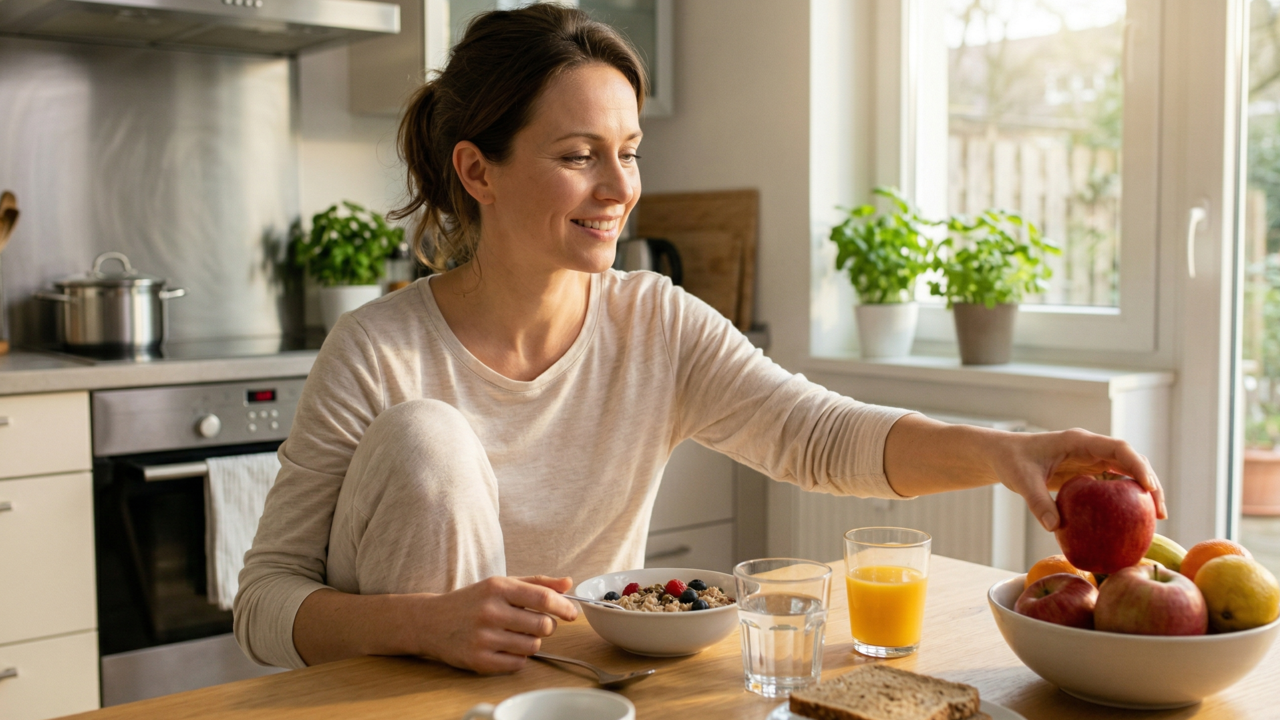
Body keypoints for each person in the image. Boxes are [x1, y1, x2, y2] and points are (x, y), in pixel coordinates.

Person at [234, 4, 1164, 676]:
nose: (620, 187)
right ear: (477, 169)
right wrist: (424, 623)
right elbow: (263, 606)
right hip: (391, 693)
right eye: (577, 155)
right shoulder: (376, 349)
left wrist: (1008, 453)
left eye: (629, 148)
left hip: (571, 693)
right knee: (427, 434)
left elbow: (820, 434)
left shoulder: (654, 320)